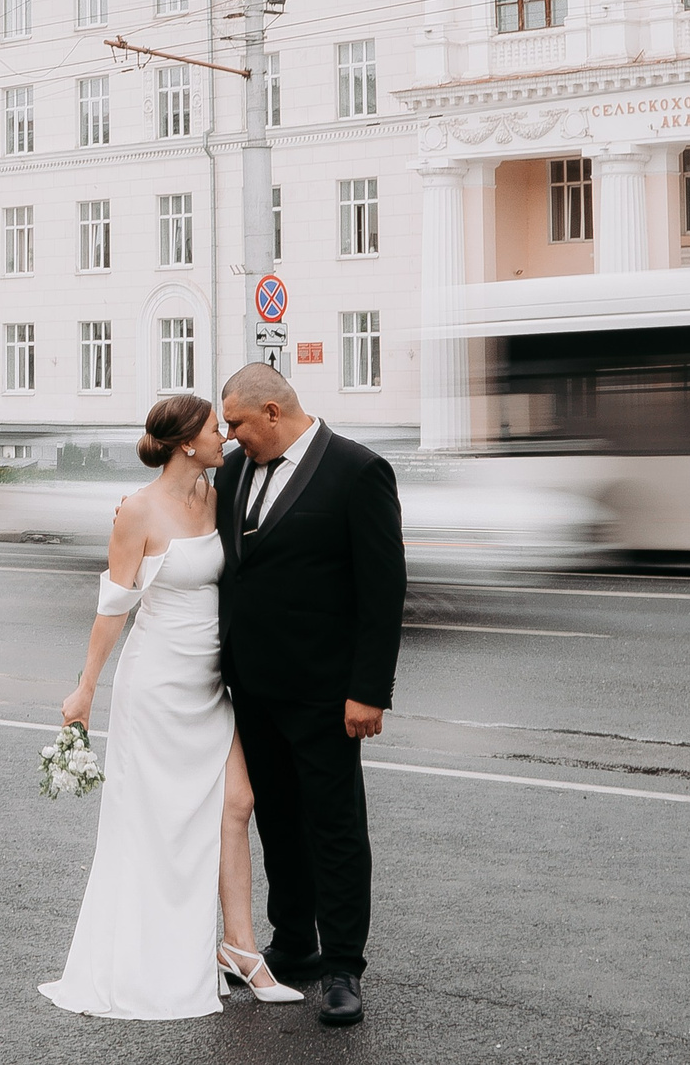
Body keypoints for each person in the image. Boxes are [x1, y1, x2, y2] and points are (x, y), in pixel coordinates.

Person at [41, 394, 300, 1020]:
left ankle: (237, 948)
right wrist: (85, 689)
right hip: (154, 686)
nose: (227, 438)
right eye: (218, 429)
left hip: (210, 684)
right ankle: (148, 958)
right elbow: (112, 608)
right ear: (187, 442)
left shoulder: (219, 495)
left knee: (236, 801)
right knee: (154, 826)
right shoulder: (136, 511)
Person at [214, 362, 404, 1028]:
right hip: (252, 684)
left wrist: (368, 690)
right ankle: (293, 940)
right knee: (277, 820)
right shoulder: (234, 472)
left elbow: (383, 592)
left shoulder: (357, 471)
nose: (229, 434)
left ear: (272, 412)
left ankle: (343, 966)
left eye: (236, 421)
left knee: (335, 826)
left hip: (326, 691)